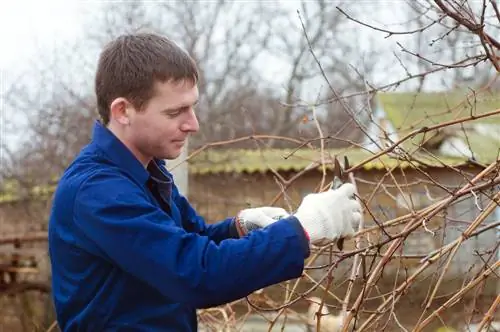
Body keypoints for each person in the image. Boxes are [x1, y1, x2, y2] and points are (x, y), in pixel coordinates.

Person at [47, 32, 362, 332]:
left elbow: (190, 239)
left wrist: (239, 227)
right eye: (176, 112)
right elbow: (197, 273)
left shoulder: (147, 171)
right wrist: (305, 228)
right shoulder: (97, 192)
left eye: (192, 107)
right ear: (123, 111)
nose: (193, 124)